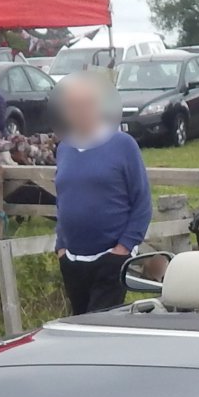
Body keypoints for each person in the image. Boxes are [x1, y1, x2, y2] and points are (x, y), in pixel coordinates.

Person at [53, 71, 152, 313]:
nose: (79, 112)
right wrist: (61, 247)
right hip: (73, 260)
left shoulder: (123, 145)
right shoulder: (65, 148)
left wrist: (123, 249)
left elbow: (142, 202)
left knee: (100, 330)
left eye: (85, 105)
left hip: (110, 258)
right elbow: (63, 199)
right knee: (80, 329)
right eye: (72, 106)